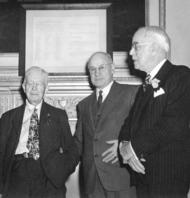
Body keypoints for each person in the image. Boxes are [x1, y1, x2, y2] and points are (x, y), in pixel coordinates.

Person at [119, 26, 190, 198]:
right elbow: (130, 122)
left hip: (167, 176)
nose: (130, 52)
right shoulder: (146, 84)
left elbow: (173, 125)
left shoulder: (181, 76)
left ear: (154, 48)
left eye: (136, 46)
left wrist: (133, 148)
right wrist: (123, 145)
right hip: (144, 175)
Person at [0, 66, 79, 198]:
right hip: (17, 176)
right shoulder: (8, 118)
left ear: (46, 88)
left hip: (49, 179)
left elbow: (72, 151)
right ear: (23, 87)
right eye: (30, 83)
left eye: (38, 84)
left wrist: (61, 172)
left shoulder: (58, 116)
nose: (34, 88)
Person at [74, 52, 138, 198]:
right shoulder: (83, 105)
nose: (97, 73)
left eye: (101, 67)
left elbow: (145, 129)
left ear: (113, 69)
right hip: (92, 182)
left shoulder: (132, 93)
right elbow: (78, 143)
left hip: (123, 179)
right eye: (92, 69)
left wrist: (125, 143)